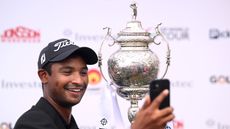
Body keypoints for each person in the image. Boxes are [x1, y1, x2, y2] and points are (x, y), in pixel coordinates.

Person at [14, 38, 174, 129]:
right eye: (67, 72)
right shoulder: (32, 124)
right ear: (44, 76)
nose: (78, 80)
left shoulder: (67, 123)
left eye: (83, 72)